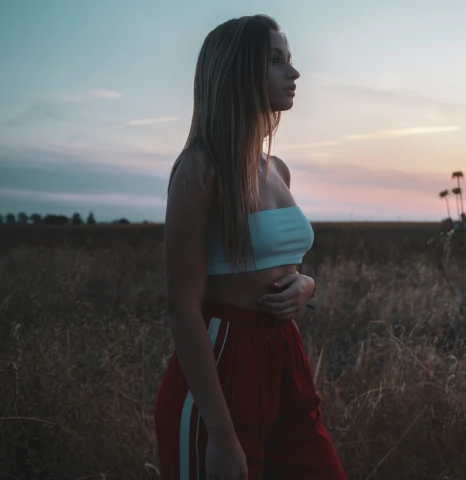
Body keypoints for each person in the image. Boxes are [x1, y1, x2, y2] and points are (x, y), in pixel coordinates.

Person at [154, 14, 346, 480]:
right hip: (222, 364)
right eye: (276, 61)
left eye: (290, 60)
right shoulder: (200, 171)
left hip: (284, 357)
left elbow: (283, 263)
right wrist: (220, 434)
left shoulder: (277, 169)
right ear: (239, 71)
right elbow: (183, 309)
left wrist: (306, 283)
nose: (294, 73)